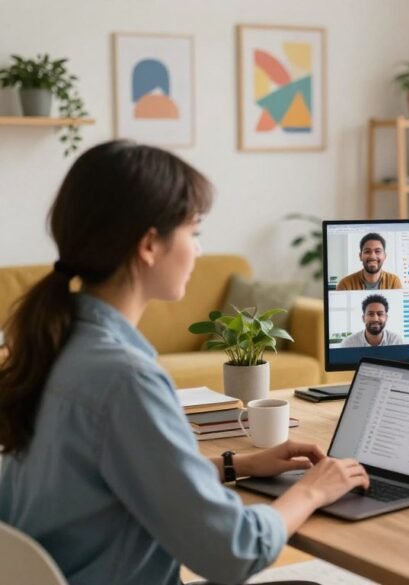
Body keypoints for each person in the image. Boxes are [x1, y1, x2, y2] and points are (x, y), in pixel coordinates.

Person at [0, 141, 370, 585]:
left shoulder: (50, 346)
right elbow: (233, 552)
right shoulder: (125, 379)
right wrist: (312, 490)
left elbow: (118, 479)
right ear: (150, 245)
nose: (197, 250)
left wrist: (239, 465)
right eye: (193, 232)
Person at [337, 233, 402, 290]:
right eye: (367, 251)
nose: (372, 256)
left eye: (378, 251)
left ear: (385, 256)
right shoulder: (345, 284)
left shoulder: (394, 282)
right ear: (360, 256)